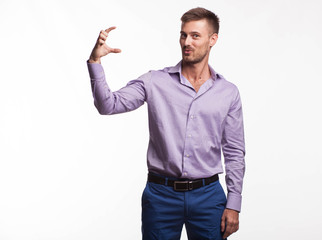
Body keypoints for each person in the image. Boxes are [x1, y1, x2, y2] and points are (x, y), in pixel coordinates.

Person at [87, 7, 245, 240]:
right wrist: (95, 60)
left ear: (213, 40)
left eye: (195, 35)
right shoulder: (154, 81)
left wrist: (234, 203)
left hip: (209, 196)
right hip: (161, 195)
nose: (186, 42)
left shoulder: (228, 92)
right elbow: (108, 105)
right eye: (183, 35)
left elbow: (234, 151)